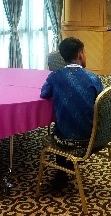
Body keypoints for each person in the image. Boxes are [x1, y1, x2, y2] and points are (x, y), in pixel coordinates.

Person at [40, 37, 104, 187]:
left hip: (65, 141)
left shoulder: (55, 76)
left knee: (58, 130)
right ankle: (69, 166)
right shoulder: (93, 78)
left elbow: (44, 94)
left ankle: (62, 172)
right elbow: (101, 103)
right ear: (80, 54)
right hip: (92, 139)